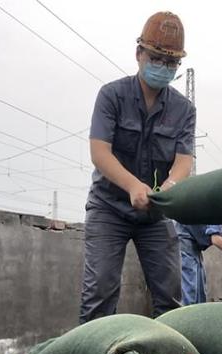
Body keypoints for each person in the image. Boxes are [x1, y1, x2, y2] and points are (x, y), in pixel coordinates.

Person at [79, 12, 195, 324]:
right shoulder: (112, 96)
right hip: (108, 208)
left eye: (171, 63)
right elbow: (99, 152)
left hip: (155, 213)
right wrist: (132, 185)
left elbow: (185, 161)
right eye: (157, 58)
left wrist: (168, 189)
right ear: (139, 54)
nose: (163, 67)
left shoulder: (184, 110)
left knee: (170, 296)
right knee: (99, 293)